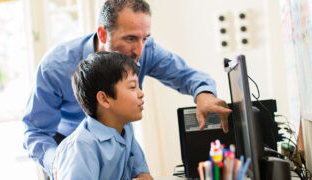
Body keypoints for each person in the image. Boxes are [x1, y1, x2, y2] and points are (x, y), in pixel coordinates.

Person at [22, 0, 232, 176]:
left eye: (145, 39)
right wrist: (58, 163)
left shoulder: (143, 51)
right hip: (66, 151)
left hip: (113, 141)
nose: (139, 50)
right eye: (130, 38)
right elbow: (35, 131)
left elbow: (187, 75)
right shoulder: (56, 67)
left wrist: (203, 94)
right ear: (103, 35)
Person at [54, 51, 151, 179]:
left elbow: (144, 175)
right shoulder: (81, 147)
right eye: (132, 87)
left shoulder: (125, 129)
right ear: (104, 99)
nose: (141, 93)